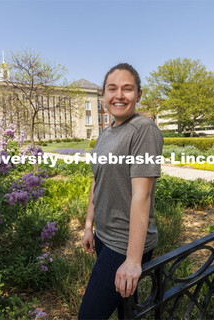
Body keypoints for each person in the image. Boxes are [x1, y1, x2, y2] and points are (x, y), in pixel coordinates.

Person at [78, 63, 164, 319]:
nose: (119, 95)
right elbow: (97, 181)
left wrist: (133, 260)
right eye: (112, 88)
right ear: (104, 95)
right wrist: (88, 225)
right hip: (104, 236)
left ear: (138, 95)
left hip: (125, 243)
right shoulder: (105, 134)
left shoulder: (143, 130)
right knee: (127, 309)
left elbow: (142, 195)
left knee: (89, 316)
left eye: (127, 89)